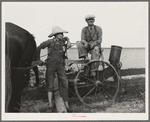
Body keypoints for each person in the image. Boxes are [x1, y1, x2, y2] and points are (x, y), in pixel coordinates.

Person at [37, 26, 72, 112]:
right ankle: (50, 104)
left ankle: (67, 105)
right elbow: (39, 47)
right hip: (51, 65)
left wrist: (68, 39)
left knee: (65, 83)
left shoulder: (63, 42)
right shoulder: (49, 42)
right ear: (56, 35)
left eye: (62, 34)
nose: (62, 35)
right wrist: (38, 60)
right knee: (50, 84)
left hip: (60, 66)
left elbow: (69, 45)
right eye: (60, 34)